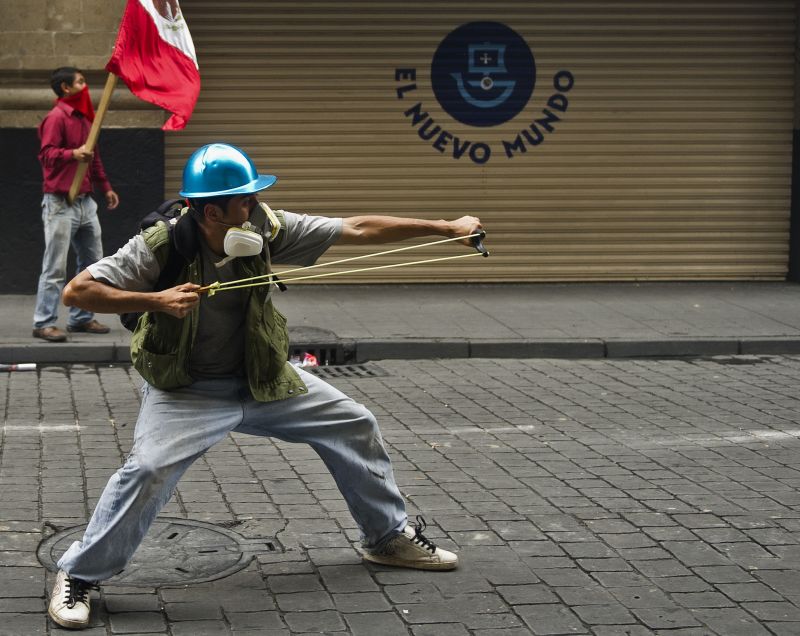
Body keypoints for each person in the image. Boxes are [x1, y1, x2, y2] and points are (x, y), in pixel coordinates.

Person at [48, 142, 482, 629]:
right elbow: (78, 290)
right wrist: (156, 299)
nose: (253, 206)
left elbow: (356, 226)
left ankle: (386, 538)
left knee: (354, 423)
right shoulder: (160, 245)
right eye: (244, 200)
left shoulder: (266, 228)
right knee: (147, 469)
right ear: (212, 211)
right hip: (188, 389)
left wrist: (447, 229)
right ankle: (78, 573)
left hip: (264, 376)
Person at [32, 66, 120, 343]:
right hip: (59, 203)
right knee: (55, 267)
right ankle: (43, 322)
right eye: (80, 82)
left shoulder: (84, 118)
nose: (85, 86)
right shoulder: (56, 118)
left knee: (93, 265)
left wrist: (105, 188)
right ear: (65, 88)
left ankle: (81, 318)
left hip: (85, 202)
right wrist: (73, 153)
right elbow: (46, 155)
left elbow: (94, 157)